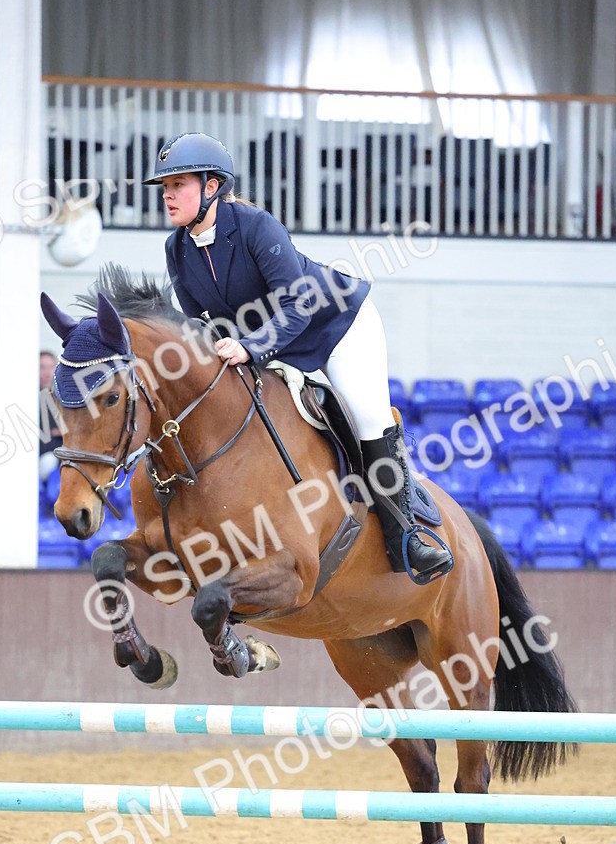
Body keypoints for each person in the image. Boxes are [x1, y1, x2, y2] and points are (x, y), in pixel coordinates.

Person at [143, 132, 452, 584]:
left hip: (337, 325)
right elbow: (200, 323)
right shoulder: (176, 249)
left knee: (367, 418)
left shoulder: (256, 226)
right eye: (165, 187)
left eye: (178, 184)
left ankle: (407, 537)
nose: (167, 195)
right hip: (274, 343)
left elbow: (299, 304)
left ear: (212, 187)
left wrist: (249, 347)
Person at [39, 349, 63, 481]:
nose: (47, 373)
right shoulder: (28, 398)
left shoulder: (64, 397)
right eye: (42, 367)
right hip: (43, 455)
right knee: (47, 462)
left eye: (50, 367)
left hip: (62, 453)